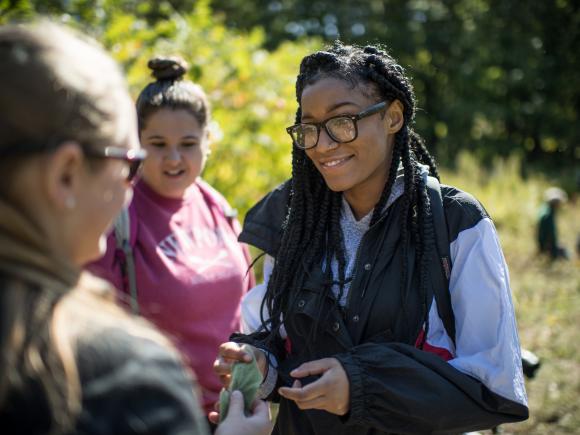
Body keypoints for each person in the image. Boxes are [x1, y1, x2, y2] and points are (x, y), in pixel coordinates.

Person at [213, 42, 529, 434]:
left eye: (342, 121)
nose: (323, 144)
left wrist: (361, 387)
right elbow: (282, 342)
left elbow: (495, 386)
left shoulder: (455, 222)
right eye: (308, 128)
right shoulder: (292, 220)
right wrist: (261, 364)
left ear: (393, 116)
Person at [0, 22, 271, 435]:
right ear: (66, 173)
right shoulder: (125, 380)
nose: (131, 184)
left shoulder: (215, 203)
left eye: (188, 143)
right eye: (132, 158)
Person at [86, 55, 255, 417]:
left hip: (230, 412)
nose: (174, 158)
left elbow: (249, 308)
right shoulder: (116, 212)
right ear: (136, 144)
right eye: (158, 144)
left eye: (188, 143)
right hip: (153, 414)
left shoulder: (217, 205)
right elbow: (92, 327)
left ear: (208, 141)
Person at [537, 186, 569, 260]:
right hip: (546, 246)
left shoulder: (544, 209)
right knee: (565, 253)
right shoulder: (549, 216)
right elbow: (551, 236)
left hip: (542, 243)